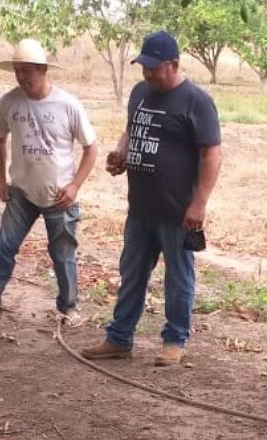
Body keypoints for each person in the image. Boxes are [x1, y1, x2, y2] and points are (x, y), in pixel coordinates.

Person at [80, 31, 222, 367]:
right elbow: (132, 129)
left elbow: (212, 155)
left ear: (174, 64)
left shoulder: (196, 101)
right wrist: (122, 152)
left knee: (178, 277)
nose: (147, 73)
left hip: (177, 211)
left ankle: (174, 340)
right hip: (141, 208)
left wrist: (199, 203)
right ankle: (119, 339)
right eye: (144, 67)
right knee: (131, 274)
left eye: (154, 68)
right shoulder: (140, 92)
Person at [0, 39, 98, 333]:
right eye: (17, 71)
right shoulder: (8, 103)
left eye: (27, 70)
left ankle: (69, 308)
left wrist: (75, 186)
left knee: (63, 254)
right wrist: (2, 180)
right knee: (4, 247)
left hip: (59, 195)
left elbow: (91, 148)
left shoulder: (67, 105)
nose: (21, 77)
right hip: (21, 193)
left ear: (42, 70)